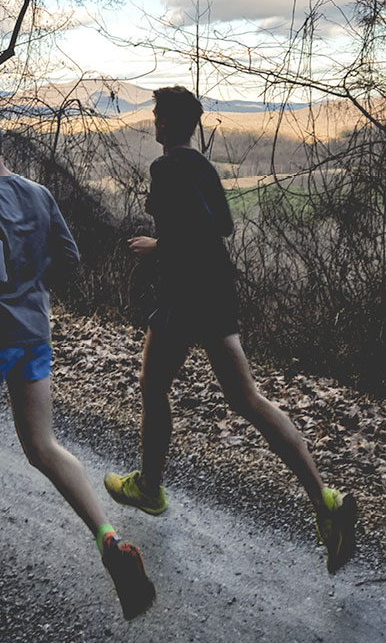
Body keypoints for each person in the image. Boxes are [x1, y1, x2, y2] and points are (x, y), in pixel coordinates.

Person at [104, 86, 357, 575]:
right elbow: (221, 226)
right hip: (216, 292)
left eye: (156, 116)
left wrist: (158, 246)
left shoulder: (165, 168)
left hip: (184, 296)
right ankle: (324, 500)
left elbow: (191, 233)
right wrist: (167, 228)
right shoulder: (203, 168)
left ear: (164, 124)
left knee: (153, 386)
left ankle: (150, 488)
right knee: (248, 400)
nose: (153, 123)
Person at [0, 113, 155, 621]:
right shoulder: (38, 191)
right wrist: (31, 285)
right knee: (44, 447)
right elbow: (69, 258)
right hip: (33, 335)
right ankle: (108, 539)